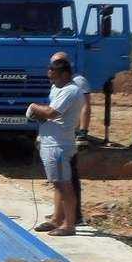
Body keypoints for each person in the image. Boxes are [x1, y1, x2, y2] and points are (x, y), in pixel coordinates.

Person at [26, 56, 83, 236]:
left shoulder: (70, 91)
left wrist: (34, 107)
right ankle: (57, 219)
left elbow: (51, 112)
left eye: (54, 75)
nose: (51, 78)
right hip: (51, 142)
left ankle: (69, 224)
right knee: (58, 183)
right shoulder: (57, 89)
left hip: (58, 146)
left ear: (65, 74)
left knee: (64, 184)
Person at [49, 51, 89, 225]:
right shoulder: (56, 85)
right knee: (59, 180)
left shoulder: (77, 83)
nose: (51, 70)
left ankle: (73, 218)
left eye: (55, 66)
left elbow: (85, 107)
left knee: (68, 180)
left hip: (67, 138)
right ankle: (58, 216)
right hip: (54, 138)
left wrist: (83, 132)